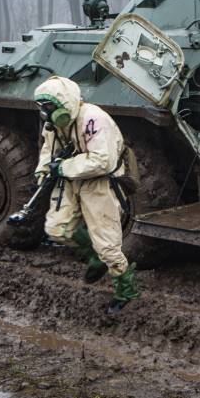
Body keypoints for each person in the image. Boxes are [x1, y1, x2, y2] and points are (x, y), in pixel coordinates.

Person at [33, 75, 139, 313]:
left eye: (50, 107)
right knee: (57, 228)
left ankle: (125, 291)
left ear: (65, 102)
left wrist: (62, 168)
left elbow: (102, 161)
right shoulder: (56, 124)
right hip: (72, 179)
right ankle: (94, 255)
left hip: (100, 182)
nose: (47, 113)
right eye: (44, 108)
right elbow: (49, 150)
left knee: (109, 246)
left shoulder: (93, 119)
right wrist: (42, 173)